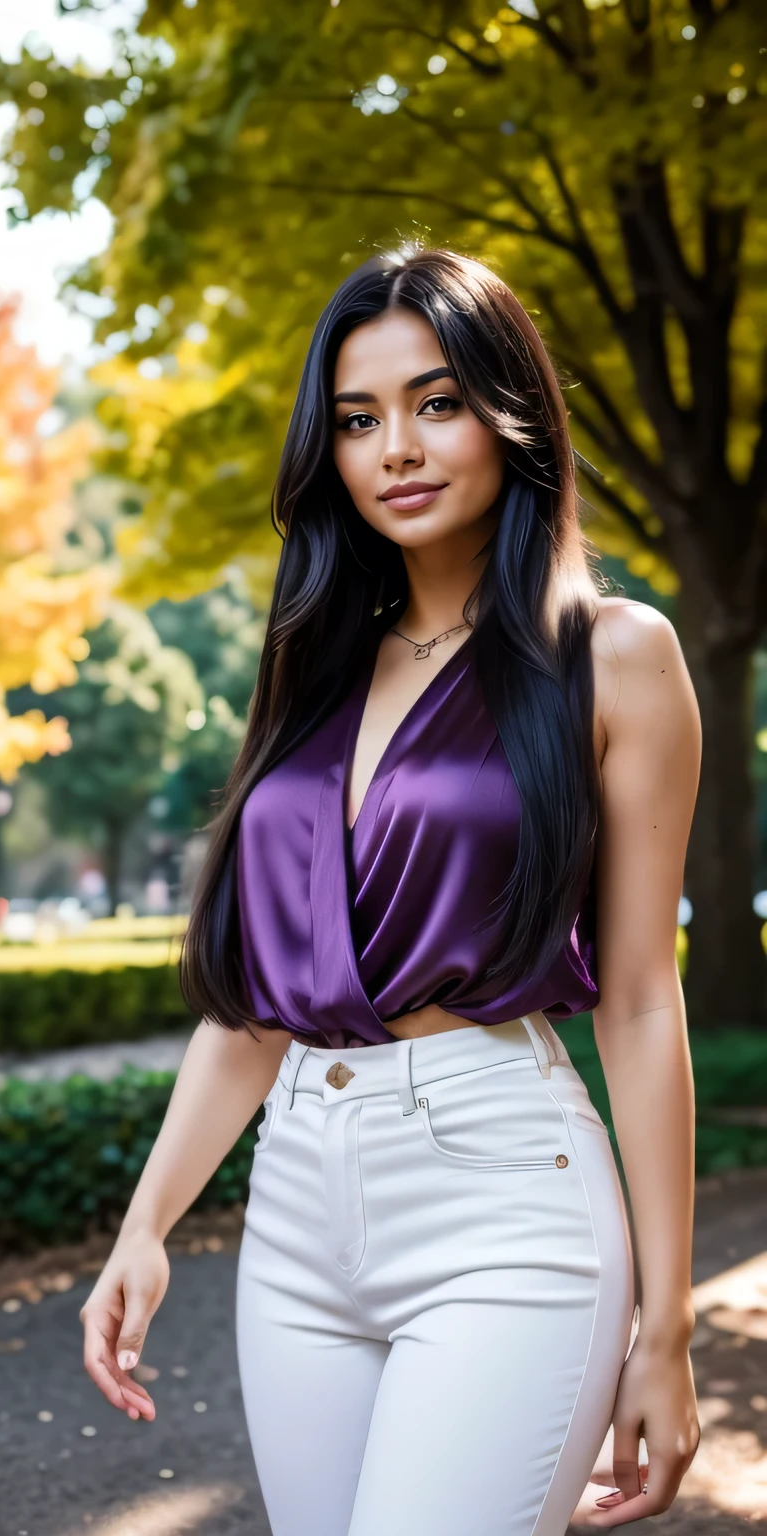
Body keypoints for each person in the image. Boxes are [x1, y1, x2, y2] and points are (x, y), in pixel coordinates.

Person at [80, 248, 703, 1534]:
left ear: (509, 409)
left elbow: (641, 1001)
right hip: (300, 1201)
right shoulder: (314, 666)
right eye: (358, 421)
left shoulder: (616, 656)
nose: (396, 450)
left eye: (436, 403)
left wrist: (669, 1324)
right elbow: (258, 1007)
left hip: (506, 1197)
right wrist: (144, 1227)